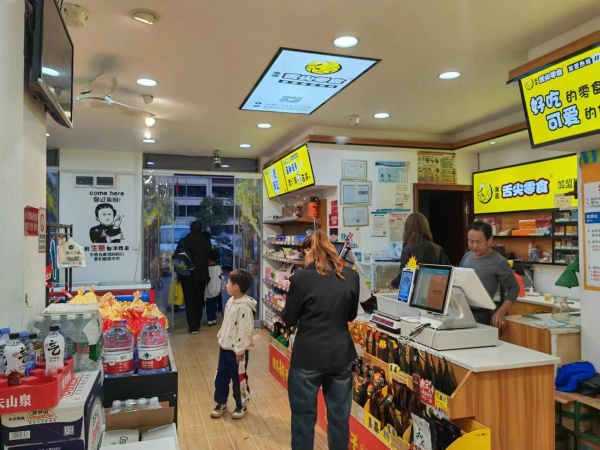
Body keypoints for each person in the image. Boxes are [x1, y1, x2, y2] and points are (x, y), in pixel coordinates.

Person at [282, 230, 360, 450]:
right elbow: (351, 315)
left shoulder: (301, 279)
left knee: (303, 419)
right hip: (341, 356)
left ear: (310, 251)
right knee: (339, 419)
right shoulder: (350, 276)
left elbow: (289, 318)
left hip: (307, 357)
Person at [211, 269, 256, 420]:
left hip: (237, 353)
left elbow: (245, 331)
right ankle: (221, 402)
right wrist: (221, 337)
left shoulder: (245, 307)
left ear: (236, 287)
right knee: (221, 377)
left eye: (228, 283)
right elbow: (227, 323)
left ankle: (241, 404)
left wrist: (240, 350)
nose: (226, 285)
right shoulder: (231, 301)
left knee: (238, 380)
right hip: (224, 348)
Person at [459, 221, 520, 327]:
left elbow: (514, 289)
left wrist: (500, 312)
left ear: (490, 240)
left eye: (479, 242)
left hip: (484, 315)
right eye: (471, 241)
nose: (474, 246)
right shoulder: (467, 256)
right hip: (465, 311)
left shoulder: (499, 261)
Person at [390, 212, 450, 289]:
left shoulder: (408, 250)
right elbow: (448, 273)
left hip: (416, 292)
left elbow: (405, 277)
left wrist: (393, 283)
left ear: (408, 230)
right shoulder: (438, 249)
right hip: (435, 291)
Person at [176, 221, 211, 334]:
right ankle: (198, 322)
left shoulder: (184, 241)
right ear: (201, 230)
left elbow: (176, 257)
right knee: (199, 299)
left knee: (189, 300)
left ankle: (193, 327)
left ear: (190, 229)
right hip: (202, 275)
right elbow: (210, 255)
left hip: (187, 275)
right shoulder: (206, 241)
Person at [205, 249, 223, 326]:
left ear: (208, 259)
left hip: (208, 291)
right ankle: (214, 319)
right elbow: (222, 278)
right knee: (214, 305)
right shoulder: (219, 268)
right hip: (217, 290)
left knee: (208, 305)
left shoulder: (207, 269)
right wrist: (222, 288)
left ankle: (209, 320)